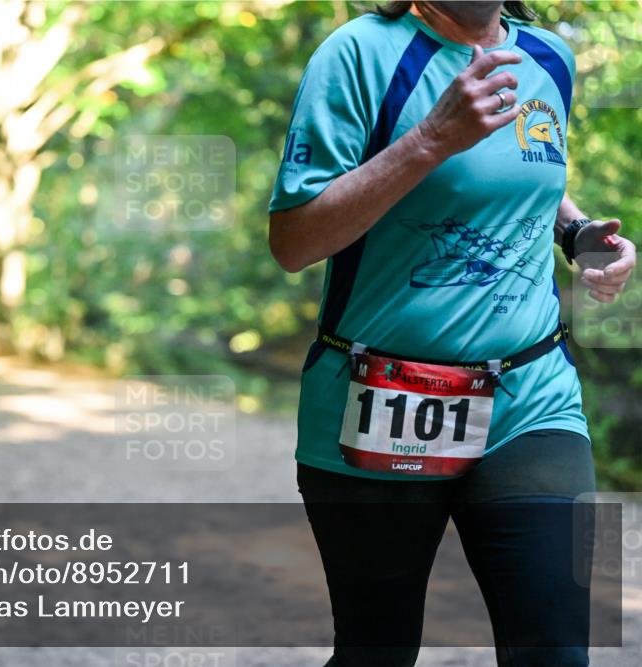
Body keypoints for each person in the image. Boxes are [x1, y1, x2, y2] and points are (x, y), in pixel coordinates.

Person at [269, 1, 635, 666]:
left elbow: (525, 170)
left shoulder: (549, 57)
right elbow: (293, 241)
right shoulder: (359, 53)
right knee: (376, 652)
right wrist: (431, 139)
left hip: (530, 396)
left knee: (555, 652)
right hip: (378, 396)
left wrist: (577, 233)